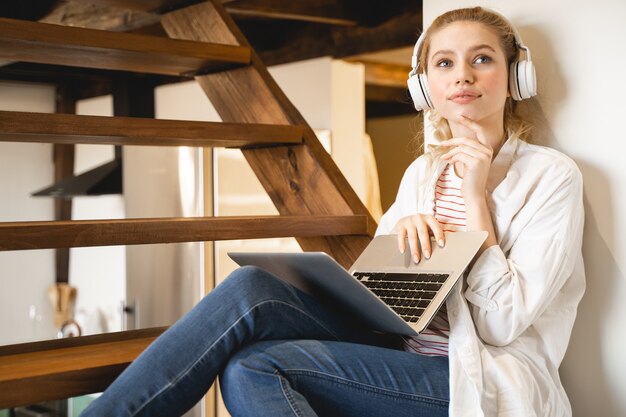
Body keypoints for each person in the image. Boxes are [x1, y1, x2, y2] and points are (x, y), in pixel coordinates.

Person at [81, 6, 584, 417]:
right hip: (399, 344)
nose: (463, 77)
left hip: (474, 378)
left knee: (251, 368)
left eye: (482, 59)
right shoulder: (422, 175)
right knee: (250, 287)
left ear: (516, 73)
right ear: (426, 84)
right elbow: (386, 306)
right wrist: (396, 245)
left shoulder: (551, 177)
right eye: (445, 63)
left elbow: (500, 326)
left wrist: (477, 203)